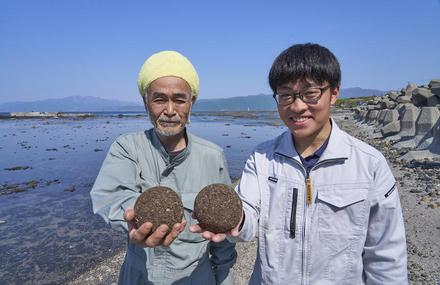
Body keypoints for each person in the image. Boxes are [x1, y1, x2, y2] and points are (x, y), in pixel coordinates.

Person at [190, 43, 408, 284]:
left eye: (310, 93)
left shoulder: (370, 165)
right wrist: (235, 220)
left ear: (334, 93)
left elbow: (387, 257)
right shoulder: (262, 158)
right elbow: (248, 215)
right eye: (286, 95)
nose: (297, 106)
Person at [91, 50, 236, 285]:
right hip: (139, 278)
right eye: (159, 99)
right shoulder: (127, 148)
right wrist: (137, 217)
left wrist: (224, 280)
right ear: (145, 101)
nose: (170, 110)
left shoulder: (213, 156)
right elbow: (111, 197)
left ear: (192, 102)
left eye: (179, 99)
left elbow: (223, 233)